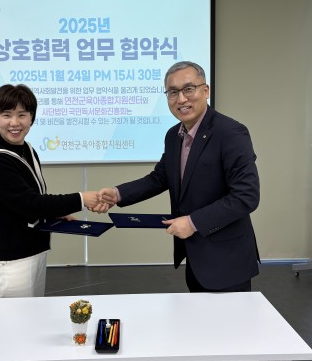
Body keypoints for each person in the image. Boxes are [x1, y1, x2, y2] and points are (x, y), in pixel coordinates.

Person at [98, 61, 260, 292]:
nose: (181, 99)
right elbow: (159, 178)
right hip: (195, 255)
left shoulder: (231, 133)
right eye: (173, 92)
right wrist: (117, 194)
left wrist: (193, 223)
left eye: (189, 89)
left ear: (206, 91)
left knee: (228, 317)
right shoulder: (173, 135)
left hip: (227, 258)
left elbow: (246, 197)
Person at [0, 84, 100, 298]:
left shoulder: (26, 149)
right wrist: (81, 199)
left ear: (31, 117)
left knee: (34, 313)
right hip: (12, 259)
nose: (14, 123)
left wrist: (52, 214)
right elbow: (30, 203)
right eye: (6, 115)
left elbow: (28, 200)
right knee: (17, 318)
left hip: (34, 250)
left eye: (22, 115)